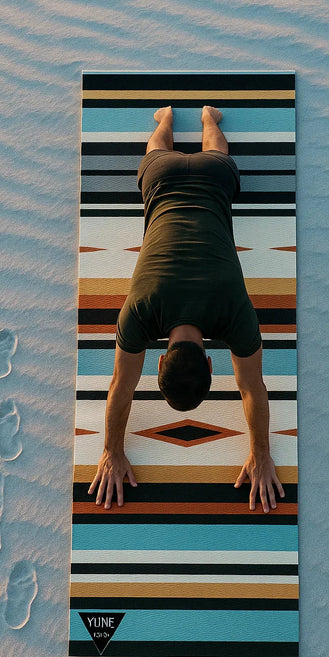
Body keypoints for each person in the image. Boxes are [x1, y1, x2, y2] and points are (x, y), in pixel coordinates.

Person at [88, 106, 285, 512]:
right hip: (161, 178)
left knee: (215, 152)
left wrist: (261, 454)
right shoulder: (140, 312)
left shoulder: (234, 314)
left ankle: (203, 120)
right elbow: (120, 389)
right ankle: (167, 122)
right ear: (159, 361)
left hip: (215, 177)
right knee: (157, 153)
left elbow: (252, 389)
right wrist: (110, 450)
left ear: (212, 363)